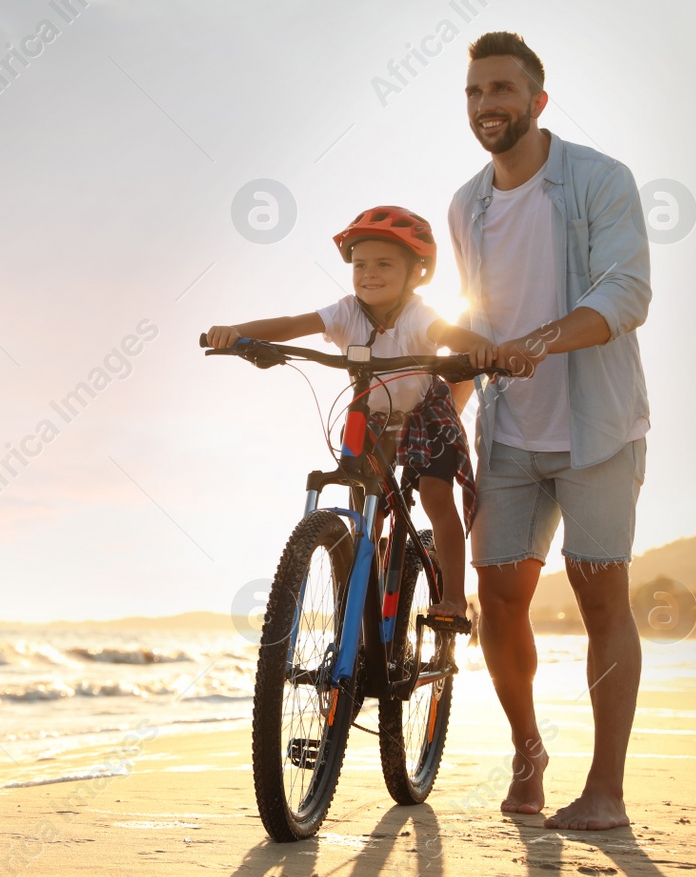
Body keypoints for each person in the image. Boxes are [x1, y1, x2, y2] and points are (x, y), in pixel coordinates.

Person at [449, 31, 651, 831]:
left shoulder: (600, 180)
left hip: (597, 426)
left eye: (501, 90)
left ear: (537, 100)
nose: (486, 105)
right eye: (473, 92)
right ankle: (527, 752)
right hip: (508, 433)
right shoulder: (466, 206)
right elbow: (477, 326)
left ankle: (606, 788)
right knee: (499, 598)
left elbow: (628, 291)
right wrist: (439, 413)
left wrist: (538, 343)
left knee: (603, 596)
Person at [205, 206, 494, 630]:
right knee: (367, 510)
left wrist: (482, 348)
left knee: (435, 496)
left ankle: (453, 597)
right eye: (360, 264)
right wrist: (237, 331)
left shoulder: (418, 314)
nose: (369, 274)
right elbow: (291, 324)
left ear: (417, 272)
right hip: (370, 416)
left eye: (383, 264)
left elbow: (447, 335)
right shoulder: (346, 311)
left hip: (422, 415)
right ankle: (366, 595)